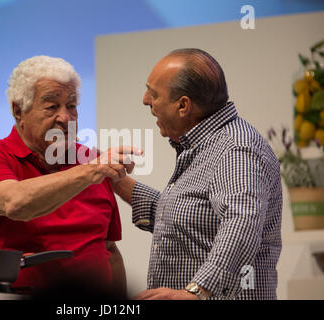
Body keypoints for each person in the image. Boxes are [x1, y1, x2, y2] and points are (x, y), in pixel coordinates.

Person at [112, 48, 282, 300]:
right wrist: (114, 178)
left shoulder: (236, 149)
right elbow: (189, 221)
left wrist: (197, 292)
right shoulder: (210, 144)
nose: (145, 100)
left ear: (183, 105)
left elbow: (242, 223)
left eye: (154, 93)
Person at [0, 55, 134, 298]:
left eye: (72, 106)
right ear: (18, 110)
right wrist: (90, 171)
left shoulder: (91, 161)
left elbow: (109, 251)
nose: (66, 118)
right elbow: (17, 203)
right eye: (52, 106)